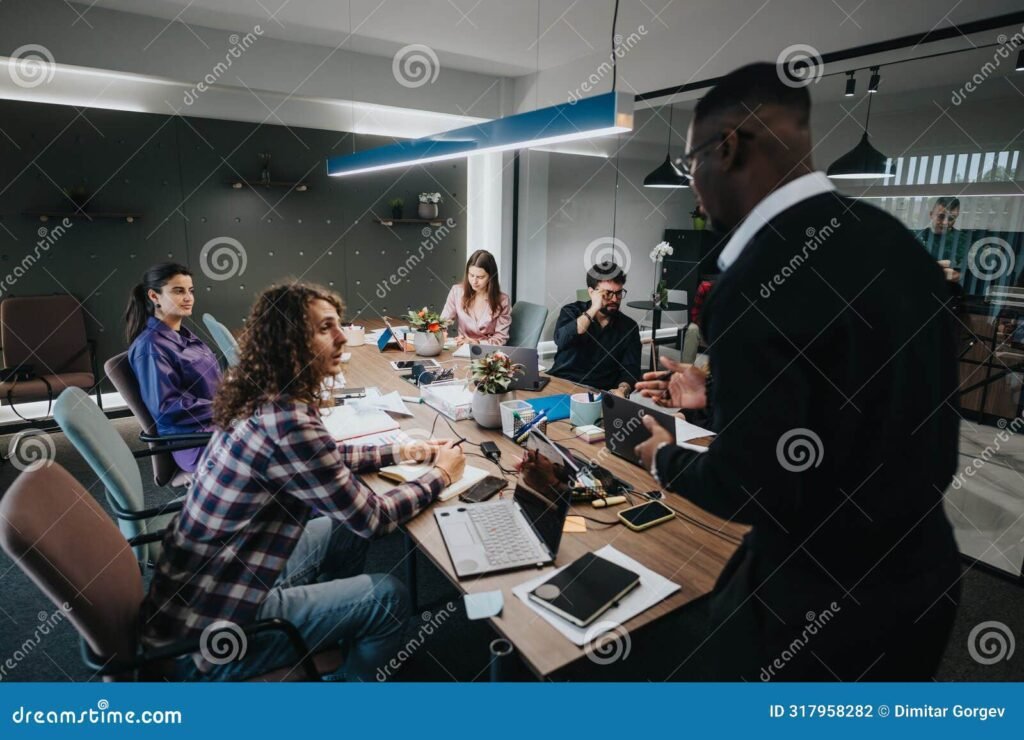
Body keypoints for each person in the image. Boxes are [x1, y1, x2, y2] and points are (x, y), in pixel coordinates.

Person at [633, 63, 961, 681]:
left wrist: (659, 456)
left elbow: (752, 486)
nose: (693, 184)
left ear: (727, 148)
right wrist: (720, 395)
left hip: (818, 605)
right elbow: (861, 404)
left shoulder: (755, 278)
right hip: (923, 577)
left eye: (690, 163)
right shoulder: (895, 243)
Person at [140, 281, 466, 681]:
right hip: (213, 638)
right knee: (389, 596)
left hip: (207, 586)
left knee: (339, 528)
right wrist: (442, 474)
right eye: (325, 327)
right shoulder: (288, 420)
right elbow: (374, 518)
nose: (343, 336)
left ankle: (336, 622)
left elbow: (321, 460)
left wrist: (400, 452)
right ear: (290, 341)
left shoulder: (262, 396)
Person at [125, 263, 221, 473]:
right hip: (195, 442)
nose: (188, 298)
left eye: (190, 291)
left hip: (217, 427)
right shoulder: (150, 347)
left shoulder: (185, 335)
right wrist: (227, 407)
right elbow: (166, 408)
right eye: (178, 291)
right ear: (154, 296)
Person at [547, 261, 641, 396]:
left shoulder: (629, 327)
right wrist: (594, 309)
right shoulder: (571, 311)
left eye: (619, 293)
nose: (614, 299)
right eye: (607, 293)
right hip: (563, 382)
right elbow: (562, 339)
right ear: (592, 292)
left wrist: (622, 390)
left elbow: (631, 369)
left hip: (599, 391)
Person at [440, 249, 511, 346]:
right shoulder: (456, 292)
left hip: (487, 354)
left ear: (491, 277)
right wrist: (440, 333)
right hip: (462, 349)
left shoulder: (502, 300)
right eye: (471, 275)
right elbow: (443, 322)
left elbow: (501, 339)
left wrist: (477, 343)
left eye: (480, 277)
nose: (474, 281)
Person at [915, 197, 971, 281]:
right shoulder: (917, 236)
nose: (945, 222)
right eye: (941, 216)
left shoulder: (963, 240)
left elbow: (968, 274)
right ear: (931, 214)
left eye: (951, 218)